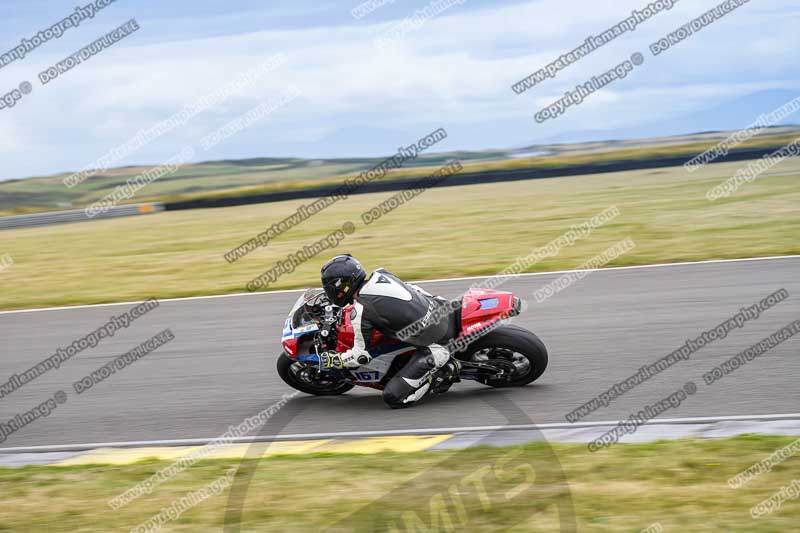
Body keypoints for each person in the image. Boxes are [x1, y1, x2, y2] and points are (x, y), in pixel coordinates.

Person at [319, 254, 460, 408]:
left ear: (342, 285)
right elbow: (414, 290)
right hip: (442, 308)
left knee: (393, 397)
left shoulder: (360, 310)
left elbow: (361, 357)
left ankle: (442, 373)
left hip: (437, 345)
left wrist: (335, 360)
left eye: (329, 288)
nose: (329, 292)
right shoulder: (381, 274)